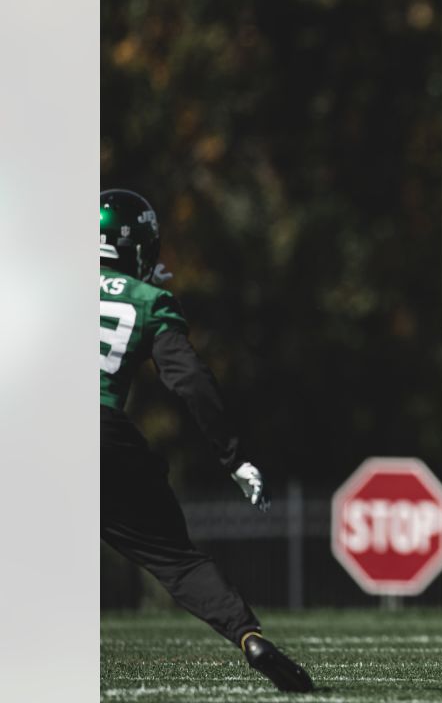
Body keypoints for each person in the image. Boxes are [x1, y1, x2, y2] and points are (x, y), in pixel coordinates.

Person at [98, 189, 314, 692]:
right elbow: (191, 381)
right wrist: (233, 458)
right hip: (102, 434)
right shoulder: (150, 302)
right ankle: (247, 636)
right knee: (176, 559)